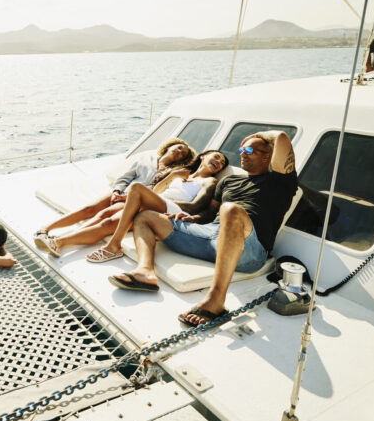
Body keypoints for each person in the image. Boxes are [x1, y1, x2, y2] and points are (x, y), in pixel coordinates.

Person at [108, 131, 296, 327]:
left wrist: (260, 135)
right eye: (241, 149)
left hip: (249, 249)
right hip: (211, 236)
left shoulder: (280, 182)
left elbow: (282, 138)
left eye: (249, 149)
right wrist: (192, 218)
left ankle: (215, 301)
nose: (242, 153)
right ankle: (145, 272)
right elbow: (208, 214)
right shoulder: (228, 181)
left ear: (267, 156)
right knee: (146, 217)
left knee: (230, 210)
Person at [34, 139, 196, 258]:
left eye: (183, 153)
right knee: (88, 209)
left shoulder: (174, 172)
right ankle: (46, 229)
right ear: (170, 145)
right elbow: (125, 177)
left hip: (136, 199)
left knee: (104, 217)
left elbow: (159, 193)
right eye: (179, 147)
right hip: (121, 191)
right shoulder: (146, 160)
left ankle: (61, 241)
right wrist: (117, 191)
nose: (180, 151)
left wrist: (126, 197)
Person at [90, 150, 229, 262]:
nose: (219, 162)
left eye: (222, 163)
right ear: (203, 157)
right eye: (217, 157)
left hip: (177, 210)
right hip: (160, 203)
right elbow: (156, 192)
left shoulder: (210, 181)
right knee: (108, 221)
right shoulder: (183, 173)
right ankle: (67, 241)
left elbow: (194, 207)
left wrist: (154, 200)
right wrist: (172, 176)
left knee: (136, 188)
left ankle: (114, 244)